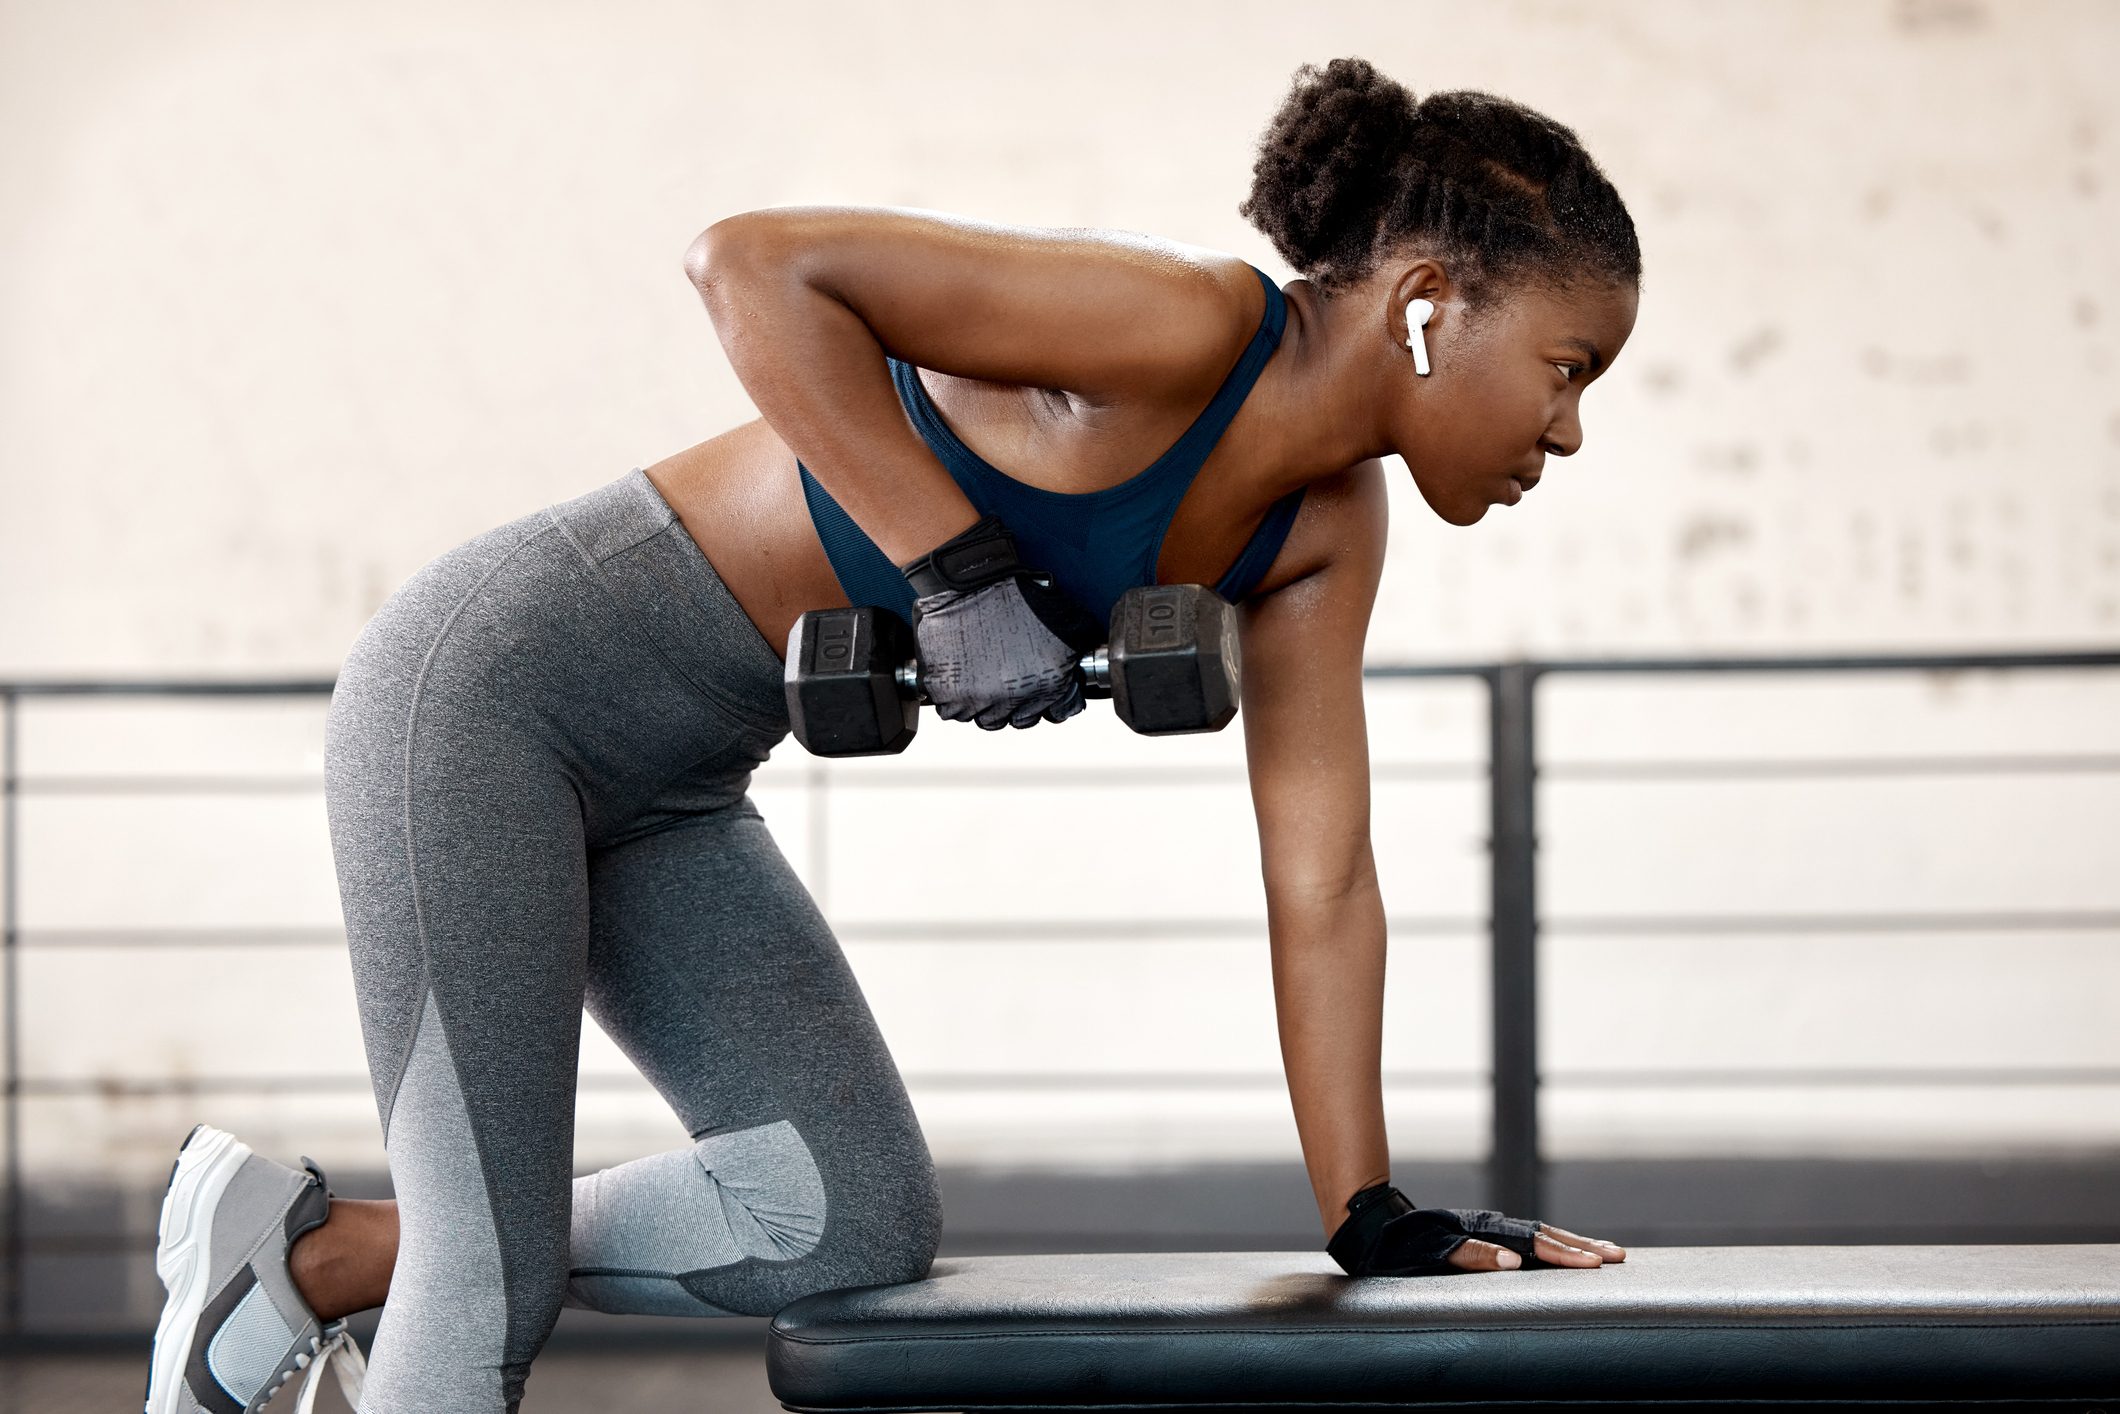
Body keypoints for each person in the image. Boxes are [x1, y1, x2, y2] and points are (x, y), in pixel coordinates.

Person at [144, 56, 1640, 1414]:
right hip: (486, 694)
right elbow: (752, 265)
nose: (1567, 431)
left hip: (673, 787)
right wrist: (956, 571)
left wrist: (1365, 1210)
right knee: (487, 1281)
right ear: (1428, 303)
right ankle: (422, 1246)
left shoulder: (1321, 532)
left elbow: (1324, 883)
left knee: (843, 1219)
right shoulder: (1184, 329)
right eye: (1568, 367)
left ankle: (318, 1250)